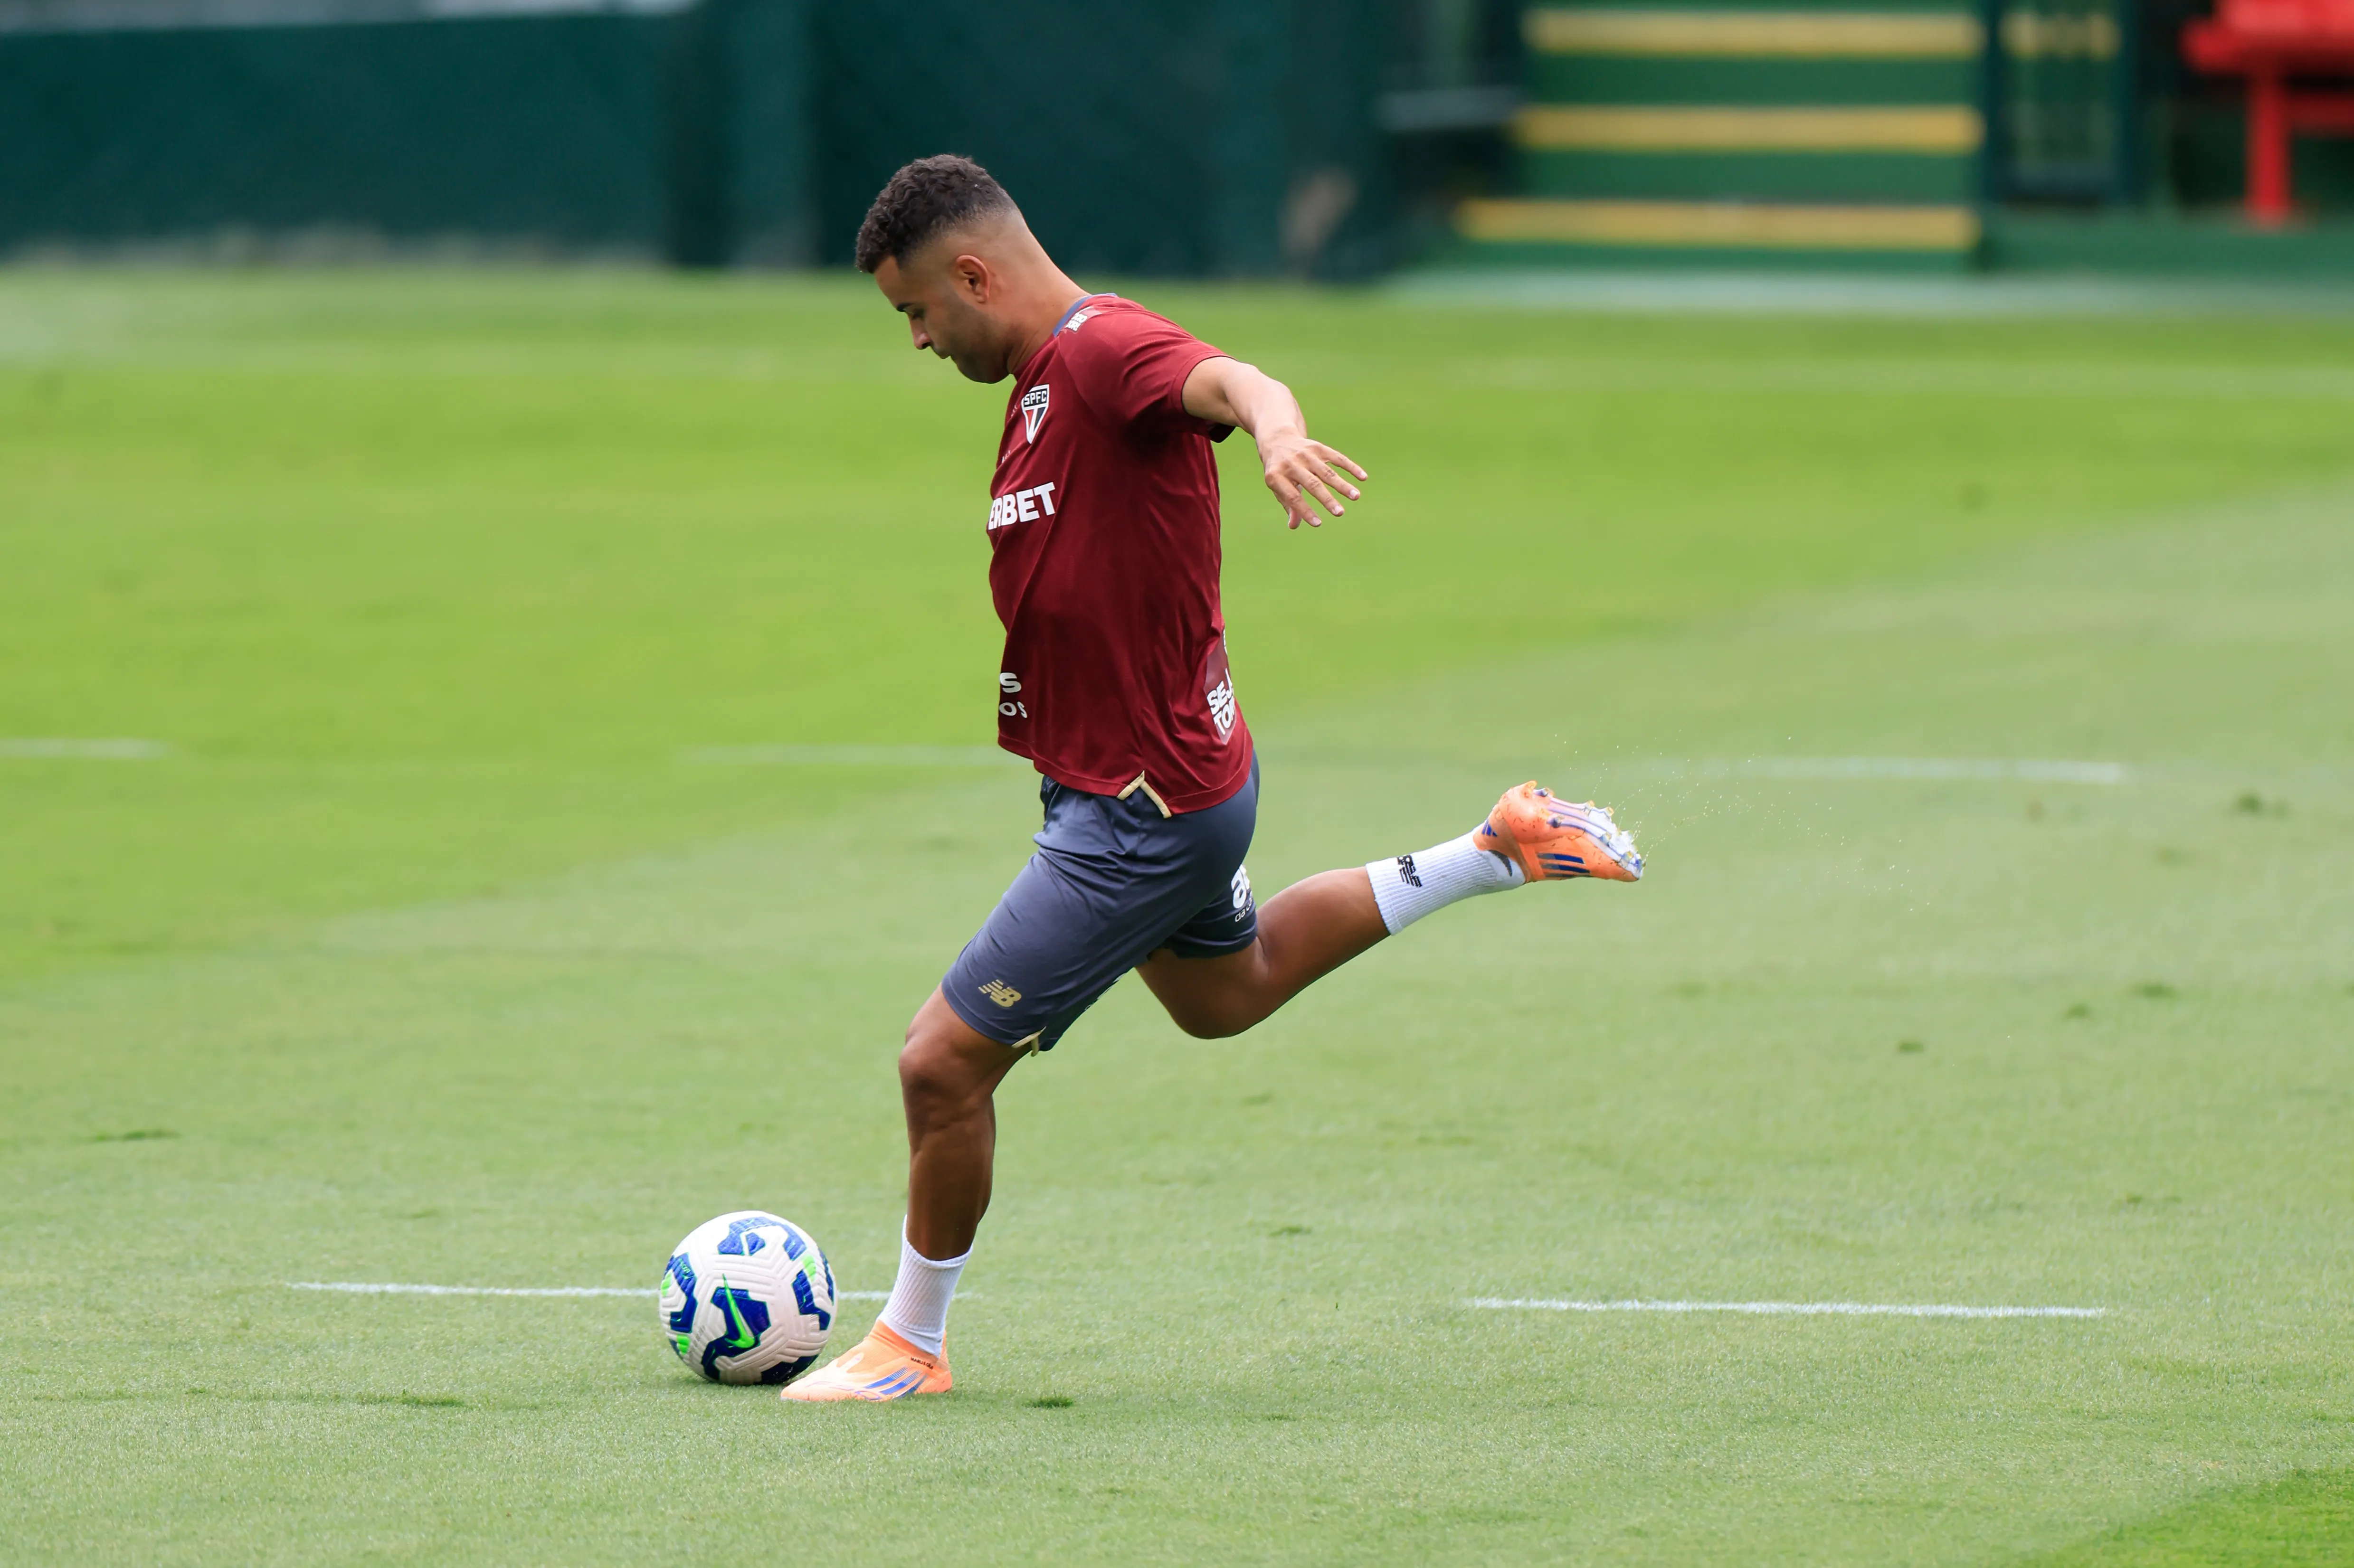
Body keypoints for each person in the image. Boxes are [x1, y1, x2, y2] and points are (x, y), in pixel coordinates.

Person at [781, 156, 1642, 1403]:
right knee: (1222, 997)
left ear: (973, 273)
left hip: (1138, 809)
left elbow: (1233, 380)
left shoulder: (1096, 349)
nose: (915, 336)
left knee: (939, 1065)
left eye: (916, 310)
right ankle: (1495, 846)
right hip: (1162, 780)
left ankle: (910, 1342)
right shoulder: (1039, 384)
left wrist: (1277, 431)